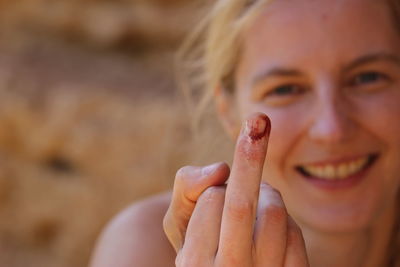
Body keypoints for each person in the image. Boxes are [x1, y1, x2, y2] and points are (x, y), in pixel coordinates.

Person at [89, 0, 400, 266]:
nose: (332, 129)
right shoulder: (146, 247)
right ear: (226, 109)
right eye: (286, 89)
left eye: (368, 77)